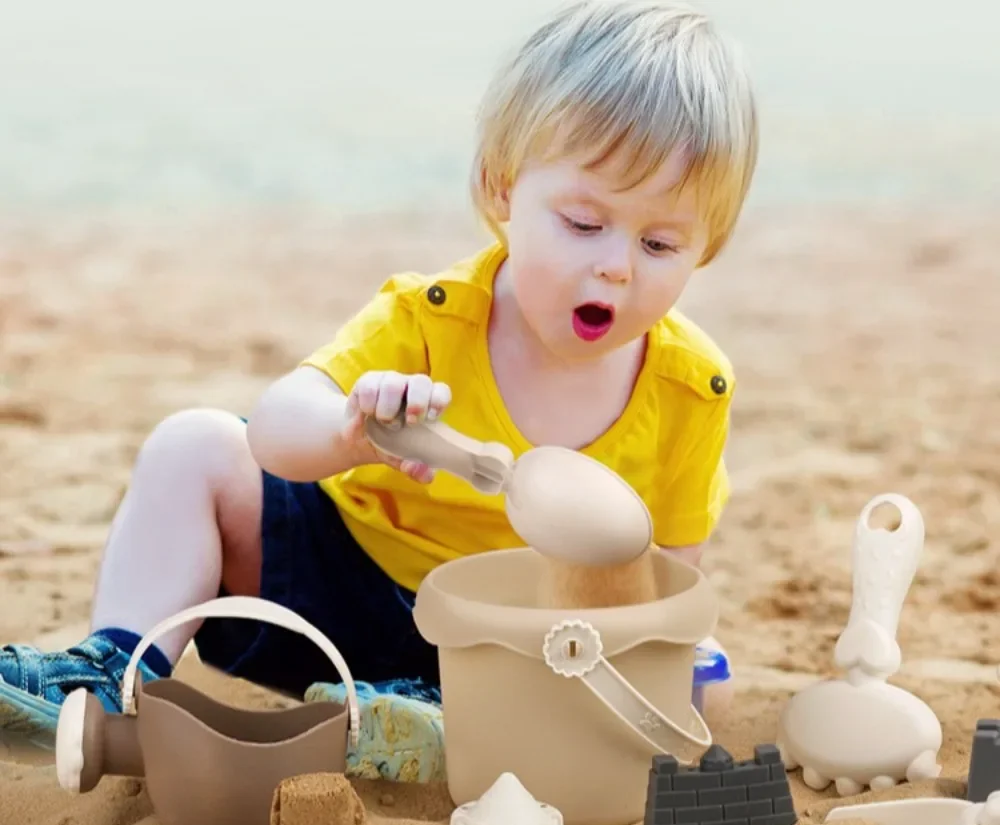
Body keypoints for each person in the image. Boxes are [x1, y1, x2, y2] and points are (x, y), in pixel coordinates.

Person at [0, 0, 757, 782]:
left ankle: (416, 719)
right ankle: (112, 673)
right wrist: (349, 430)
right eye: (583, 223)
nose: (617, 267)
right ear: (503, 192)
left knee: (707, 685)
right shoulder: (429, 317)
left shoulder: (690, 388)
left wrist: (658, 644)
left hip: (503, 645)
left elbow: (668, 568)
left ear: (709, 244)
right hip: (339, 584)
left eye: (660, 243)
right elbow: (274, 429)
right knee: (194, 445)